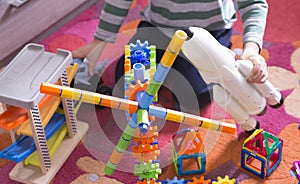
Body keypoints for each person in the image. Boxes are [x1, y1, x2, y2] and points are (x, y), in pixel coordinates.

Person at [72, 0, 269, 109]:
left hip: (208, 33)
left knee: (196, 98)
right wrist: (100, 40)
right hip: (158, 26)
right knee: (127, 82)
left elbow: (253, 3)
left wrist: (251, 49)